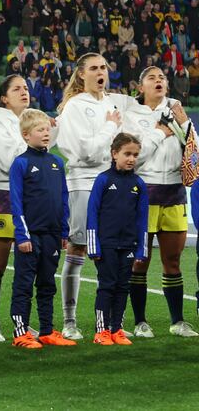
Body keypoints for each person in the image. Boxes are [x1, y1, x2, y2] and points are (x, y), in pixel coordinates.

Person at [120, 66, 198, 337]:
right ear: (140, 87)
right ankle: (140, 322)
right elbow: (131, 157)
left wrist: (185, 124)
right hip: (143, 193)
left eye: (162, 78)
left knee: (173, 260)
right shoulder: (131, 116)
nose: (159, 81)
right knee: (140, 260)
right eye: (151, 77)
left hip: (175, 193)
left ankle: (177, 322)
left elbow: (194, 153)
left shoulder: (177, 111)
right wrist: (158, 133)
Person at [55, 53, 124, 340]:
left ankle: (109, 322)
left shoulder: (111, 104)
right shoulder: (74, 107)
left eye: (104, 68)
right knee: (78, 249)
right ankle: (69, 321)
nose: (101, 72)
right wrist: (110, 128)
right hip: (83, 184)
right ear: (81, 74)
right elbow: (85, 153)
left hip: (112, 183)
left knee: (111, 251)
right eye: (94, 68)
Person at [9, 109, 73, 349]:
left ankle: (47, 330)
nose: (46, 133)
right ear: (26, 135)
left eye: (48, 129)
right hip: (30, 236)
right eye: (40, 130)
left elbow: (63, 198)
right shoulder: (21, 163)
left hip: (52, 235)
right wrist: (22, 234)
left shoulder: (56, 162)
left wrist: (63, 231)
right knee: (24, 285)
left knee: (47, 284)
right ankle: (20, 333)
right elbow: (16, 201)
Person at [0, 75, 32, 342]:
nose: (24, 92)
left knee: (27, 262)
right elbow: (8, 160)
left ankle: (22, 321)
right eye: (16, 89)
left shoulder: (30, 118)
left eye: (25, 88)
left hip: (30, 195)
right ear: (4, 97)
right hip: (1, 195)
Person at [87, 133, 148, 346]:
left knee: (123, 287)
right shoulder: (103, 179)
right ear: (114, 154)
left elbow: (143, 219)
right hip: (107, 244)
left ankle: (117, 329)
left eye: (135, 155)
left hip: (129, 245)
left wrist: (142, 249)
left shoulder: (139, 184)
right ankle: (101, 331)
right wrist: (93, 245)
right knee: (107, 285)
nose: (131, 158)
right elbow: (92, 213)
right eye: (127, 154)